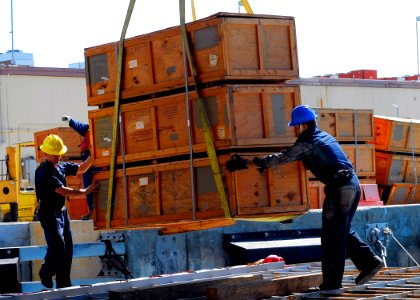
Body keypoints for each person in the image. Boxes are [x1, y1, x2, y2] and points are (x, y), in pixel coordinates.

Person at [226, 105, 384, 292]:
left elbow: (280, 158)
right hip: (353, 185)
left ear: (300, 126)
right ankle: (370, 261)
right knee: (342, 229)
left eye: (295, 126)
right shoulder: (324, 136)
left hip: (340, 189)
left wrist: (246, 163)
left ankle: (332, 284)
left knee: (331, 237)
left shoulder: (306, 143)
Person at [35, 134, 99, 289]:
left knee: (67, 249)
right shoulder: (43, 172)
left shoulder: (61, 166)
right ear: (45, 153)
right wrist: (85, 191)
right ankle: (46, 272)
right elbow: (61, 190)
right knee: (57, 244)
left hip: (62, 212)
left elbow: (82, 168)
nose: (57, 157)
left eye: (58, 154)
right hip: (49, 213)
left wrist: (94, 153)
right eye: (54, 154)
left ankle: (63, 283)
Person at [62, 115, 94, 220]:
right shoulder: (90, 128)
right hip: (87, 161)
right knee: (88, 185)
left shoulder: (107, 130)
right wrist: (71, 121)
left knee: (100, 185)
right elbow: (80, 126)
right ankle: (92, 212)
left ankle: (101, 212)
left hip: (100, 161)